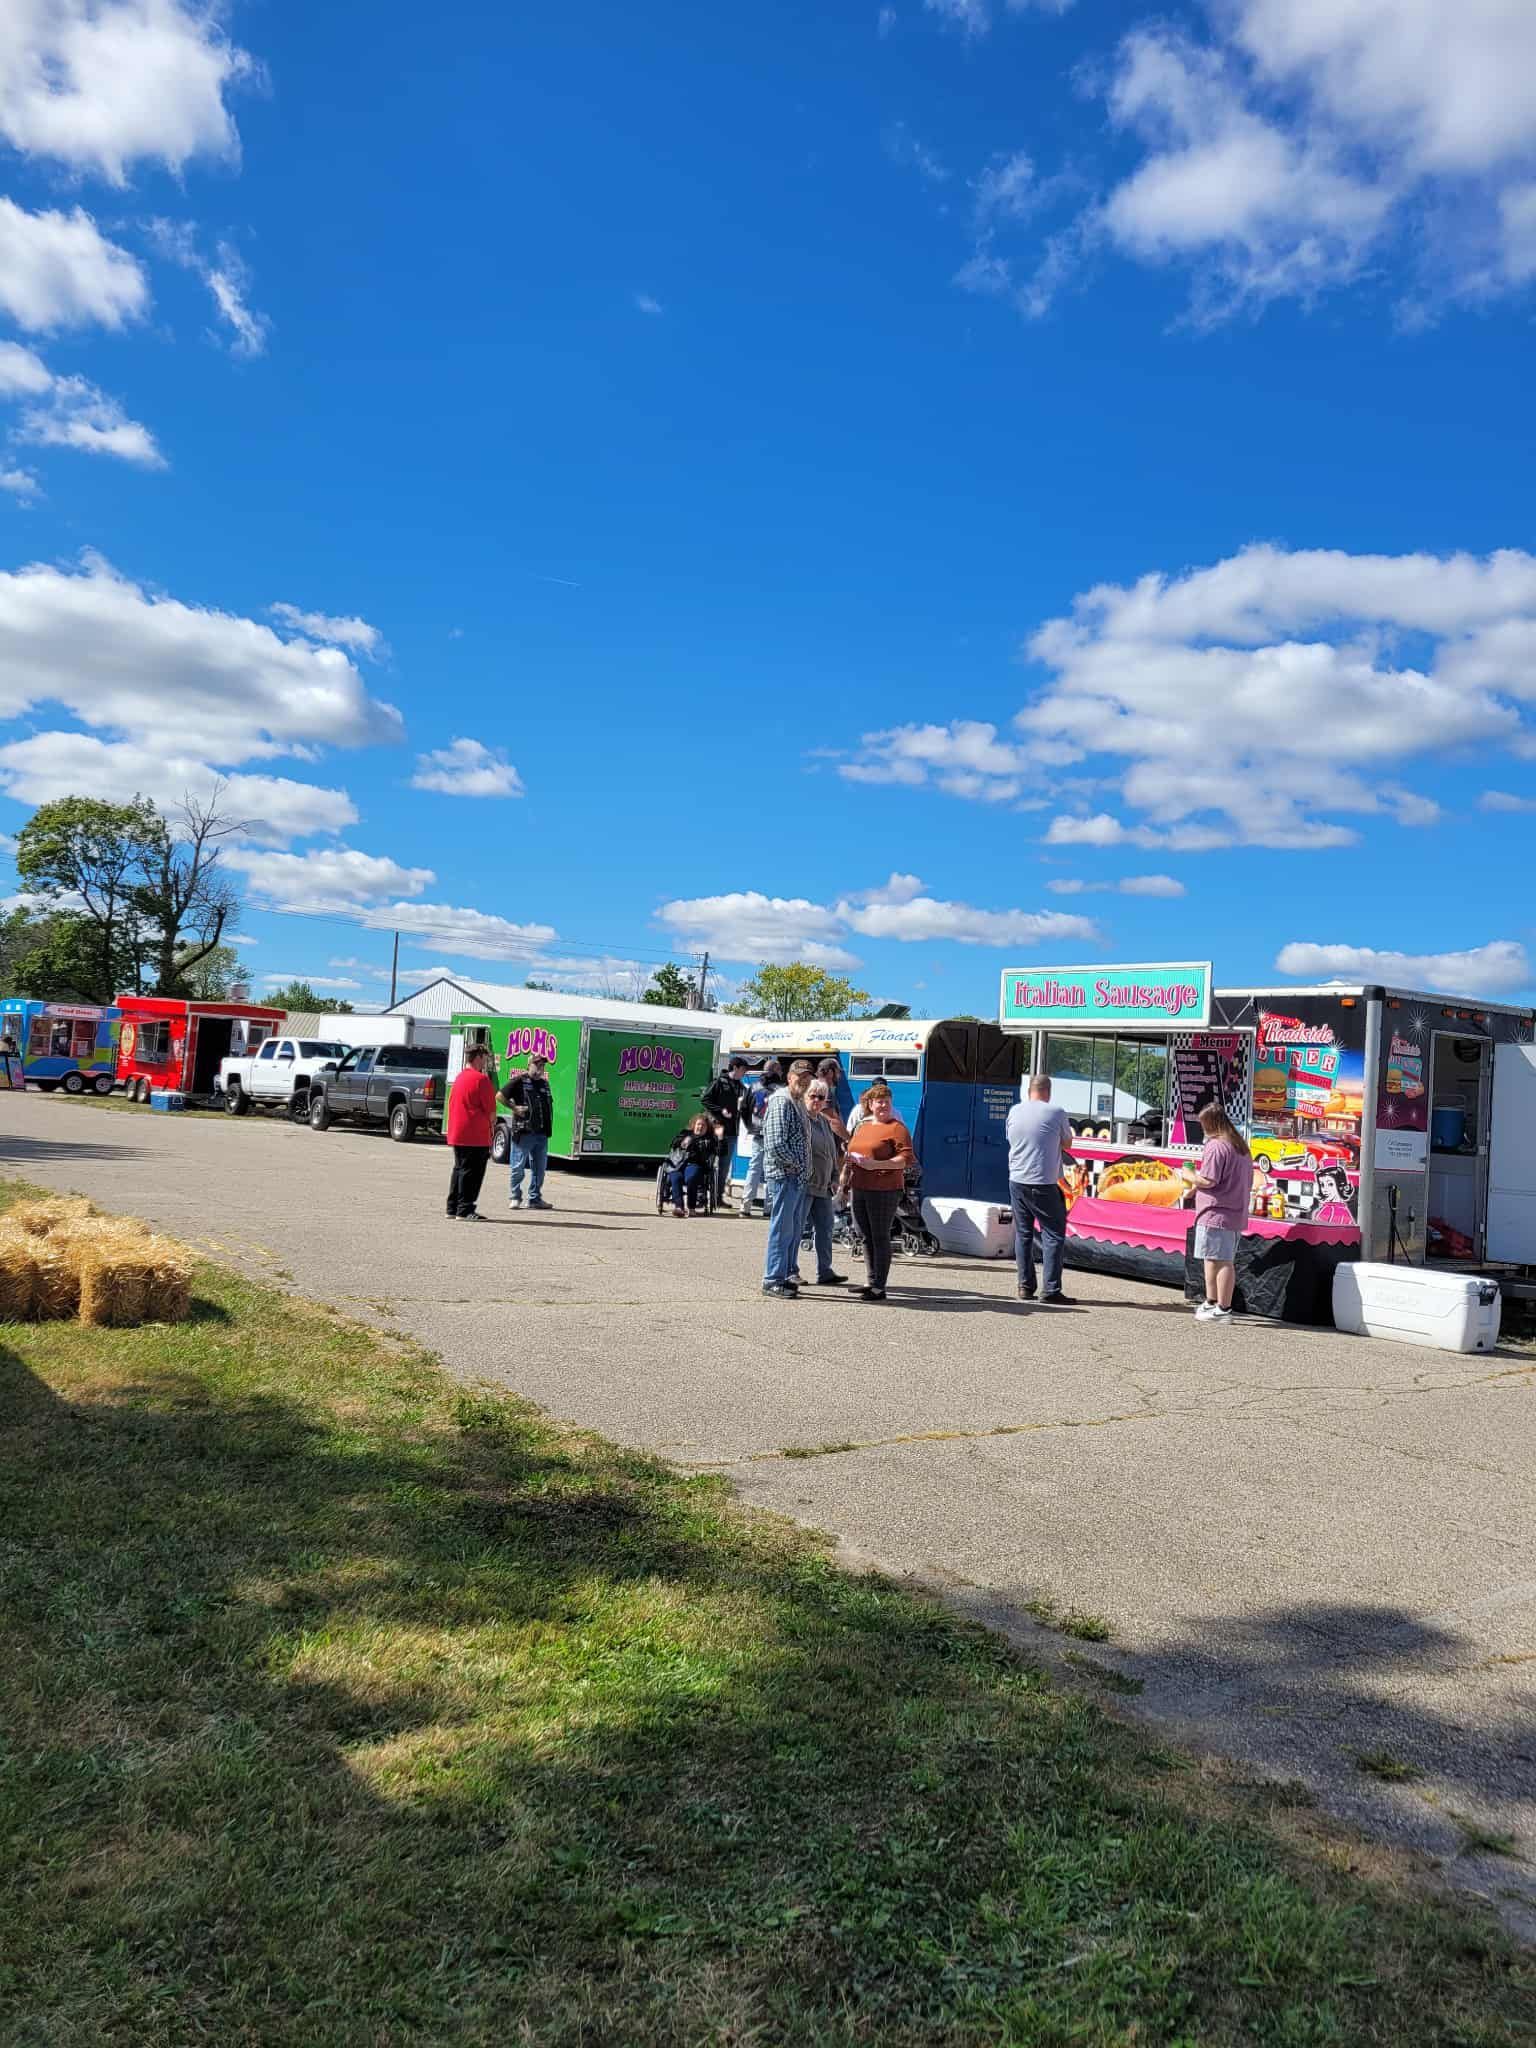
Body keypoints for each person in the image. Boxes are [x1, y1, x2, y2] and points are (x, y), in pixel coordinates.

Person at [1005, 1076, 1076, 1305]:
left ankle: (1025, 1286)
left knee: (1024, 1233)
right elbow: (1068, 1144)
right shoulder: (1056, 1112)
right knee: (1053, 1234)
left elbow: (1010, 1138)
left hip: (1017, 1180)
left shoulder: (1015, 1111)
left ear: (1029, 1090)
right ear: (1049, 1091)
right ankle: (1051, 1289)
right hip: (1043, 1182)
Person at [838, 1091, 914, 1302]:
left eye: (887, 1102)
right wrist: (844, 1180)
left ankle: (879, 1287)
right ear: (870, 1105)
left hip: (884, 1189)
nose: (884, 1106)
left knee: (879, 1235)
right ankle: (871, 1281)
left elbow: (906, 1159)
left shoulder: (897, 1128)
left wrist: (877, 1165)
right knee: (864, 1235)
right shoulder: (862, 1126)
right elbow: (851, 1153)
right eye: (879, 1102)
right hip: (859, 1187)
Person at [1183, 1104, 1252, 1322]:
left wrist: (1190, 1175)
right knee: (1213, 1258)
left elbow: (1209, 1180)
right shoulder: (1240, 1146)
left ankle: (1223, 1308)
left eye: (1203, 1125)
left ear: (1210, 1124)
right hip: (1234, 1211)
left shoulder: (1215, 1146)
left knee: (1221, 1260)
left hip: (1215, 1211)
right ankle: (1212, 1302)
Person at [760, 1060, 811, 1297]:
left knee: (790, 1230)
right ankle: (772, 1280)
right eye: (800, 1076)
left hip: (796, 1178)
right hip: (784, 1176)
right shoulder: (782, 1101)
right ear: (789, 1077)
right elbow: (775, 1143)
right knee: (781, 1229)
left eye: (807, 1077)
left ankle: (782, 1275)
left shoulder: (798, 1101)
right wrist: (797, 1164)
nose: (804, 1081)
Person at [801, 1078, 848, 1286]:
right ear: (805, 1096)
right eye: (813, 1096)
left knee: (826, 1227)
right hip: (805, 1184)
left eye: (822, 1098)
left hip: (824, 1185)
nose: (817, 1101)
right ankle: (790, 1270)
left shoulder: (823, 1121)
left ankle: (825, 1271)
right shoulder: (800, 1119)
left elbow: (831, 1151)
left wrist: (835, 1176)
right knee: (796, 1229)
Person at [445, 1043, 496, 1221]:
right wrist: (491, 1128)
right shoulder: (481, 1080)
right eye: (484, 1058)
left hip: (458, 1132)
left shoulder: (459, 1078)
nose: (485, 1062)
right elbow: (491, 1111)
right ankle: (465, 1209)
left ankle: (452, 1208)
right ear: (478, 1058)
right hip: (475, 1135)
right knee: (472, 1173)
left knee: (459, 1169)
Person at [502, 1049, 555, 1211]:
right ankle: (515, 1197)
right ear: (529, 1065)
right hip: (524, 1133)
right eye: (537, 1064)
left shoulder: (544, 1083)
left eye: (543, 1065)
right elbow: (500, 1096)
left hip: (541, 1133)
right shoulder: (519, 1081)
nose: (540, 1068)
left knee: (539, 1169)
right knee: (518, 1167)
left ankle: (535, 1198)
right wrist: (514, 1108)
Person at [738, 1059, 783, 1220]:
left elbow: (743, 1109)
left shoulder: (753, 1087)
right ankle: (769, 1209)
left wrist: (750, 1126)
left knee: (754, 1170)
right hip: (775, 1135)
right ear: (776, 1070)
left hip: (757, 1134)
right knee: (772, 1172)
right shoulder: (781, 1089)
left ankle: (745, 1207)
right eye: (780, 1070)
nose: (782, 1073)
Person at [703, 1055, 749, 1207]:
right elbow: (705, 1100)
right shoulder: (719, 1082)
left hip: (732, 1131)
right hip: (716, 1129)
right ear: (735, 1068)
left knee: (724, 1166)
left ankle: (718, 1197)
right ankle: (702, 1194)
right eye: (743, 1069)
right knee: (709, 1162)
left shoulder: (741, 1087)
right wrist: (721, 1111)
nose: (744, 1073)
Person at [665, 1113, 717, 1217]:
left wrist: (720, 1139)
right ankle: (679, 1207)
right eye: (698, 1124)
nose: (700, 1127)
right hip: (678, 1164)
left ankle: (691, 1207)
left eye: (703, 1125)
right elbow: (673, 1145)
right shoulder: (685, 1133)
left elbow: (720, 1151)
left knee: (692, 1177)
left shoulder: (709, 1139)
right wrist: (682, 1142)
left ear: (707, 1128)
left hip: (695, 1164)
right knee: (675, 1177)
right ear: (694, 1125)